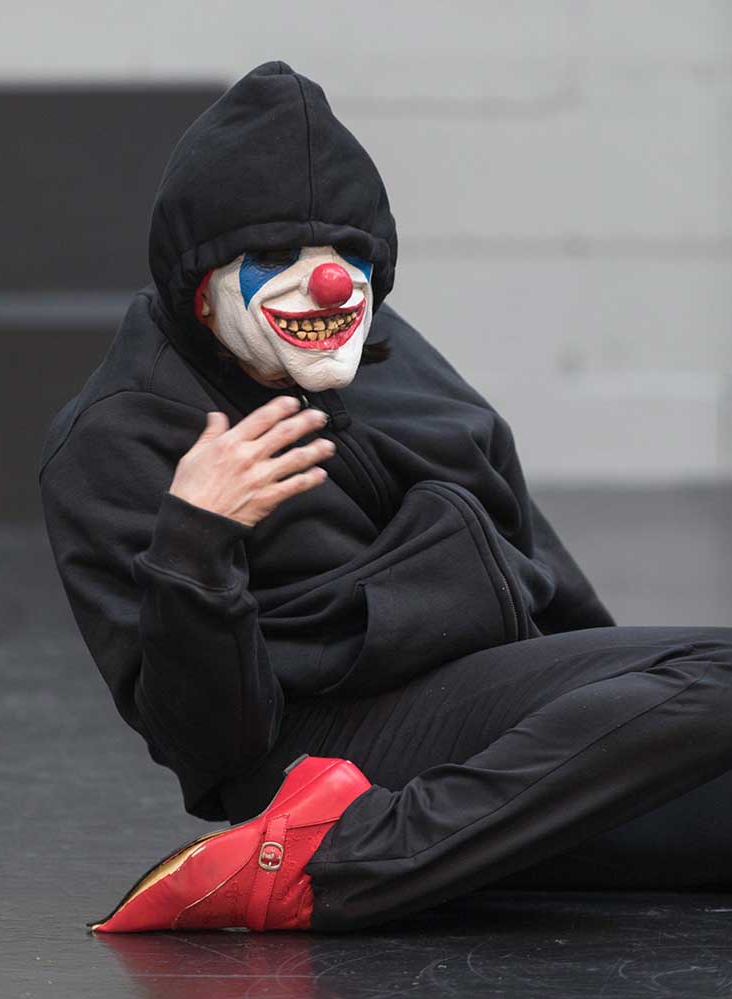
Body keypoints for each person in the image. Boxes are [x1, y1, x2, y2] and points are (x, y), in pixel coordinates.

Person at [38, 61, 732, 934]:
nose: (329, 283)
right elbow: (211, 749)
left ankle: (396, 847)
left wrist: (623, 722)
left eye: (348, 254)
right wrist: (197, 539)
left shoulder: (386, 350)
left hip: (497, 728)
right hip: (317, 753)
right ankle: (345, 863)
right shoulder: (115, 436)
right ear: (200, 287)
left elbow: (530, 550)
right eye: (275, 257)